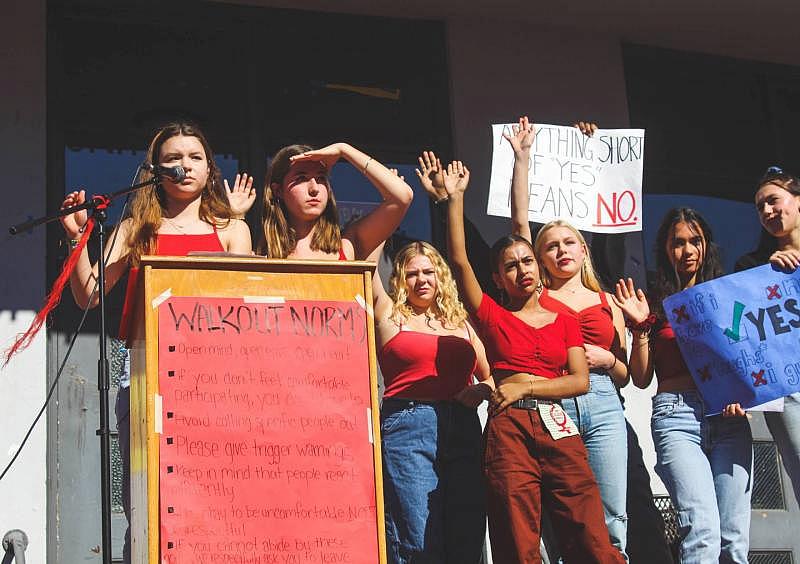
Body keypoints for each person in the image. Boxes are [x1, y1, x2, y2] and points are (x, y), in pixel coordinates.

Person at [60, 122, 254, 564]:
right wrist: (77, 239)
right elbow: (89, 294)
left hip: (219, 385)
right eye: (173, 158)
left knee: (218, 503)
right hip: (149, 381)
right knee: (149, 504)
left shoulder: (232, 231)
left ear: (210, 169)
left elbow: (245, 311)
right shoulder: (134, 228)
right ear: (155, 169)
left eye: (194, 157)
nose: (184, 165)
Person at [440, 157, 624, 564]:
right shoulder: (492, 315)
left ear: (539, 269)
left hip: (558, 424)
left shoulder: (564, 320)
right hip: (510, 430)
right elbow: (459, 261)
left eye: (527, 261)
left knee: (591, 533)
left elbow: (578, 380)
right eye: (510, 266)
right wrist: (455, 200)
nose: (521, 269)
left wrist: (527, 384)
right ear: (498, 279)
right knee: (518, 538)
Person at [503, 116, 630, 560]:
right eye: (550, 245)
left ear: (583, 249)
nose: (561, 250)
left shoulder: (607, 299)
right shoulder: (537, 298)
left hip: (604, 402)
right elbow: (520, 224)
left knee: (611, 517)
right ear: (538, 258)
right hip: (553, 402)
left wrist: (608, 361)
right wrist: (523, 160)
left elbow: (630, 372)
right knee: (563, 518)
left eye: (569, 242)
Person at [614, 207, 752, 564]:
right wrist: (641, 327)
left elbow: (751, 356)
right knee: (702, 532)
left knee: (732, 541)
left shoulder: (729, 296)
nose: (687, 250)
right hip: (677, 418)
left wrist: (745, 397)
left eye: (695, 241)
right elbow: (641, 379)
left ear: (706, 246)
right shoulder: (656, 305)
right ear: (665, 249)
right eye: (678, 243)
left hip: (729, 419)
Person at [372, 239, 491, 563]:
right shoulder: (389, 313)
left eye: (428, 271)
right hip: (409, 428)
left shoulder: (460, 322)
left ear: (440, 276)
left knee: (465, 534)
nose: (422, 279)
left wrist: (481, 389)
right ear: (399, 279)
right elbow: (367, 257)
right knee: (418, 536)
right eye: (412, 274)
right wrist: (396, 203)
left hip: (463, 426)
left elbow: (492, 374)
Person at [735, 166, 800, 506]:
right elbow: (741, 331)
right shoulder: (752, 267)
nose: (767, 212)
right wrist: (767, 278)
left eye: (773, 201)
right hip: (790, 390)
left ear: (798, 201)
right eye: (760, 207)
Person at [258, 143, 413, 260]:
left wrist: (343, 149)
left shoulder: (348, 245)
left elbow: (402, 197)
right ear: (278, 190)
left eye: (321, 178)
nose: (314, 188)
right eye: (301, 178)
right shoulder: (262, 255)